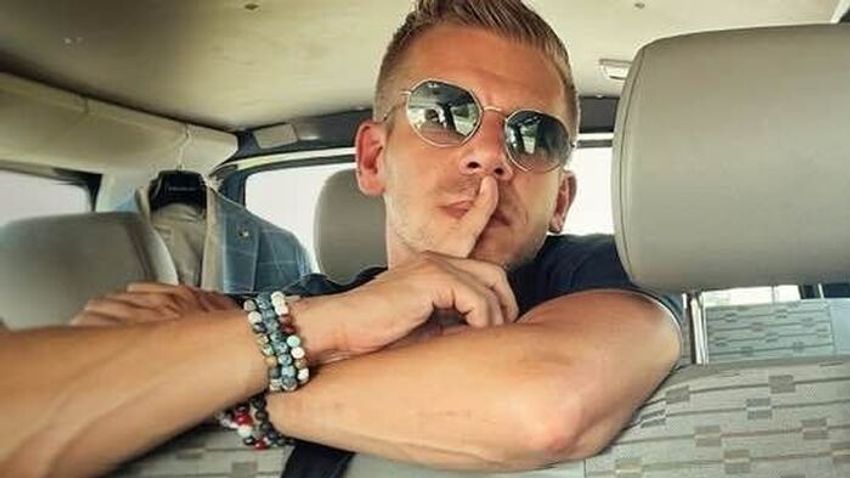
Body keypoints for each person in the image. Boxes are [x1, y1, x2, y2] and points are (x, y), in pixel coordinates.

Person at [0, 1, 682, 477]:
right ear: (373, 158)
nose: (489, 155)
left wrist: (243, 380)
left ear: (560, 200)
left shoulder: (607, 278)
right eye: (444, 112)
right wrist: (317, 327)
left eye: (534, 136)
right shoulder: (292, 311)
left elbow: (545, 405)